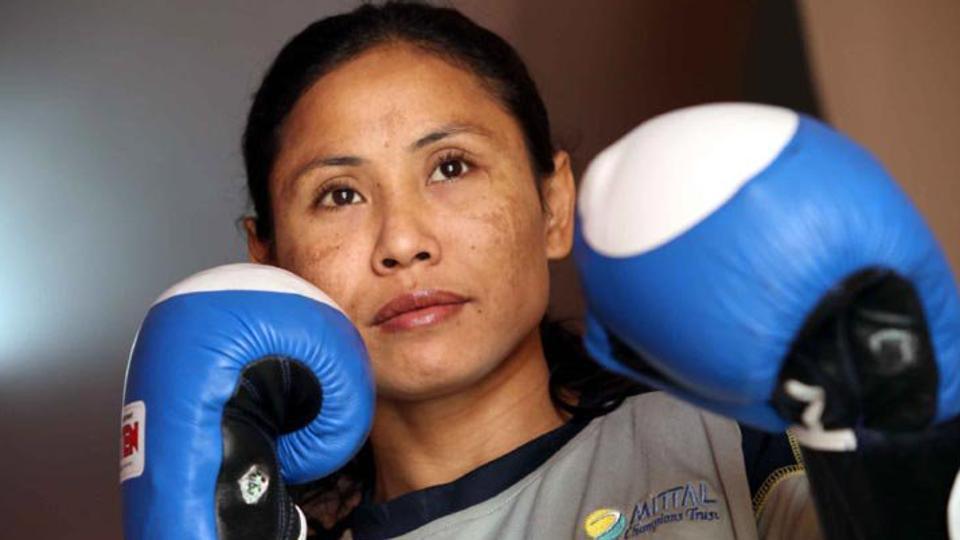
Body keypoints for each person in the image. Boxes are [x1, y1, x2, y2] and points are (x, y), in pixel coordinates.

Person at [235, 2, 818, 539]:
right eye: (339, 195)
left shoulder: (728, 439)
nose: (403, 242)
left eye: (451, 167)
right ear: (269, 263)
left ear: (554, 207)